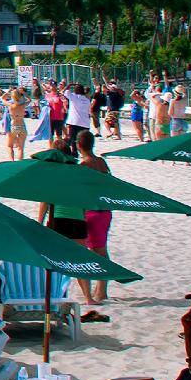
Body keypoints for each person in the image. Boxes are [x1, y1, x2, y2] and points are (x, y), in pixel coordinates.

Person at [74, 129, 114, 320]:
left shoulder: (84, 165)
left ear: (78, 145)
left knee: (93, 251)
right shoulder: (101, 162)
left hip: (91, 211)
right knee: (102, 249)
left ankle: (99, 291)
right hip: (105, 210)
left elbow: (80, 191)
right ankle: (101, 288)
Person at [5, 88, 28, 161]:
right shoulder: (23, 105)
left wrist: (7, 92)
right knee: (21, 148)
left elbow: (2, 98)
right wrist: (24, 93)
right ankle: (20, 162)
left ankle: (12, 160)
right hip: (22, 126)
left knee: (9, 146)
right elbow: (29, 99)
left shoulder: (11, 105)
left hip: (14, 126)